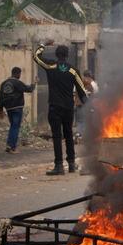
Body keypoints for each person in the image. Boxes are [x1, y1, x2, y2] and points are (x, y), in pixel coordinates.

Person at [34, 42, 88, 175]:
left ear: (57, 55)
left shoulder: (51, 66)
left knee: (57, 136)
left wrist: (42, 45)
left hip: (55, 107)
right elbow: (82, 91)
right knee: (69, 134)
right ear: (67, 56)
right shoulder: (73, 70)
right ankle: (71, 164)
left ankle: (58, 166)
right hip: (68, 108)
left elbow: (36, 57)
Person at [0, 67, 35, 153]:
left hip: (8, 108)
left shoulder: (4, 83)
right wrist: (34, 83)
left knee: (13, 126)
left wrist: (0, 110)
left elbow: (1, 98)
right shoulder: (17, 82)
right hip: (17, 108)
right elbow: (29, 89)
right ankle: (11, 147)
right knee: (15, 127)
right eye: (19, 74)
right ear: (18, 74)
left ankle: (9, 145)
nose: (20, 76)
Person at [76, 70, 99, 142]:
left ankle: (79, 135)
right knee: (85, 121)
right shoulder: (93, 84)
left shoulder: (79, 83)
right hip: (86, 105)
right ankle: (83, 136)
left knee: (81, 121)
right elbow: (95, 95)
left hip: (80, 104)